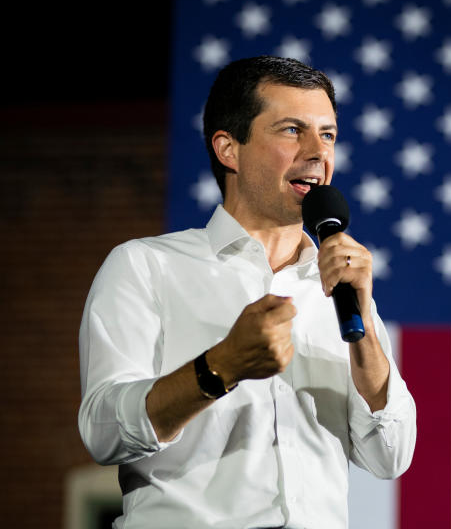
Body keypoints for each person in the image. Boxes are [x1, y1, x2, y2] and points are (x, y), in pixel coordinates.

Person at [78, 56, 416, 528]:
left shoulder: (338, 283)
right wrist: (221, 367)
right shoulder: (147, 266)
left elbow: (390, 455)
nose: (318, 152)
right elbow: (102, 432)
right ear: (228, 149)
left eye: (328, 134)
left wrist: (363, 333)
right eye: (291, 130)